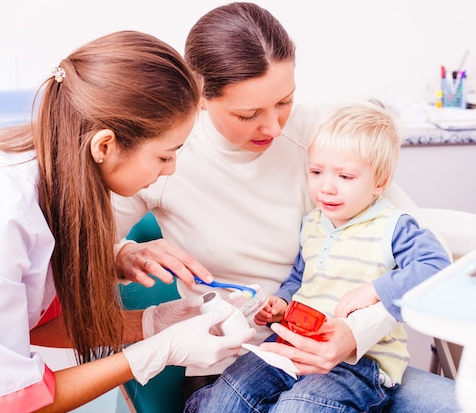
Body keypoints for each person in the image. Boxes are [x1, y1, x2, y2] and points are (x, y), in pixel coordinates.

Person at [112, 2, 460, 412]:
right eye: (248, 114)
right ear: (199, 95)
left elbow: (431, 254)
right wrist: (124, 252)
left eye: (285, 101)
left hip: (348, 357)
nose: (274, 127)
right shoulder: (166, 153)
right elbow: (86, 246)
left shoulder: (323, 138)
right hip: (237, 362)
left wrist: (355, 332)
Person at [0, 30, 253, 413]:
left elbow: (25, 318)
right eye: (165, 155)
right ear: (104, 145)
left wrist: (149, 319)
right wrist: (155, 352)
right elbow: (11, 404)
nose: (171, 169)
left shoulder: (54, 166)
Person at [184, 101, 451, 412]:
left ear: (380, 181)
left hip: (359, 364)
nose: (327, 187)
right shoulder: (312, 223)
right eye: (316, 172)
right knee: (224, 398)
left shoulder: (394, 226)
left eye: (345, 177)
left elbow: (437, 266)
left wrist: (375, 290)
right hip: (289, 347)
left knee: (299, 407)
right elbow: (301, 278)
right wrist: (281, 304)